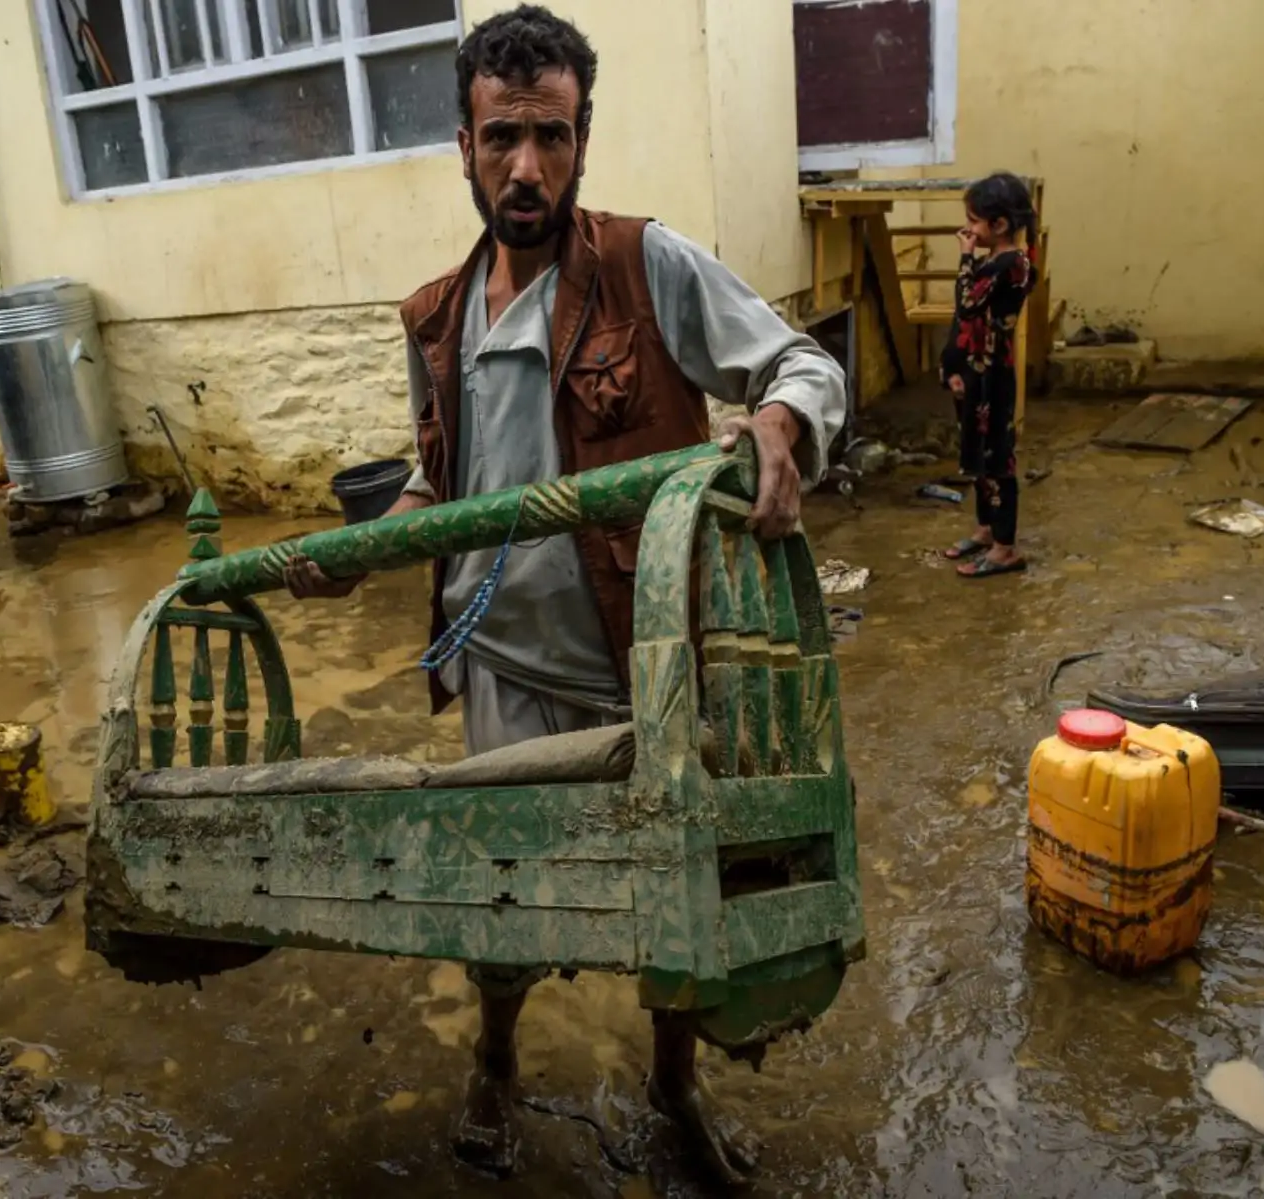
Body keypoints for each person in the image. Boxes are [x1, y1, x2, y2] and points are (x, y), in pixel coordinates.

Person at [282, 6, 846, 1185]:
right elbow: (443, 484)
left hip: (639, 663)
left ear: (583, 138)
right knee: (501, 889)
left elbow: (799, 360)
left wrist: (784, 423)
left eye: (551, 135)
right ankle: (493, 1058)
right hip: (504, 670)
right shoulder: (435, 316)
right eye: (502, 139)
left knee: (669, 892)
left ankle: (674, 1085)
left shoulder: (648, 265)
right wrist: (360, 551)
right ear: (464, 144)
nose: (526, 166)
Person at [939, 172, 1037, 578]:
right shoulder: (992, 261)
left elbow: (966, 304)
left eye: (975, 221)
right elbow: (963, 324)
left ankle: (1005, 547)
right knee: (978, 456)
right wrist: (951, 366)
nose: (969, 229)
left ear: (999, 225)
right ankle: (985, 529)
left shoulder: (1013, 264)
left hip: (995, 375)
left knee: (999, 458)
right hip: (976, 372)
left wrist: (964, 257)